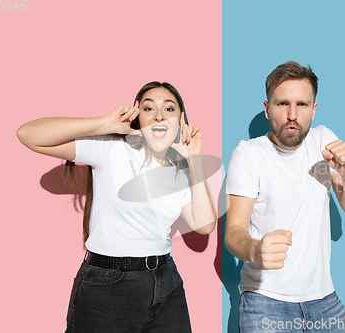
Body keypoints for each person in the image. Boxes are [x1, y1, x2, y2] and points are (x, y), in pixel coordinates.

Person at [17, 81, 217, 333]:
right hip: (109, 285)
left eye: (169, 109)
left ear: (181, 119)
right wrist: (106, 124)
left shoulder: (181, 168)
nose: (158, 115)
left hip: (165, 282)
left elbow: (204, 225)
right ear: (137, 116)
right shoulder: (112, 148)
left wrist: (195, 159)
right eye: (148, 108)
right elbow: (27, 134)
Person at [225, 61, 345, 332]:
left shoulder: (325, 141)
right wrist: (255, 249)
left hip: (325, 301)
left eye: (302, 105)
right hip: (265, 300)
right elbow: (233, 232)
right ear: (267, 109)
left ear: (314, 109)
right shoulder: (249, 154)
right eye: (282, 104)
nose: (292, 115)